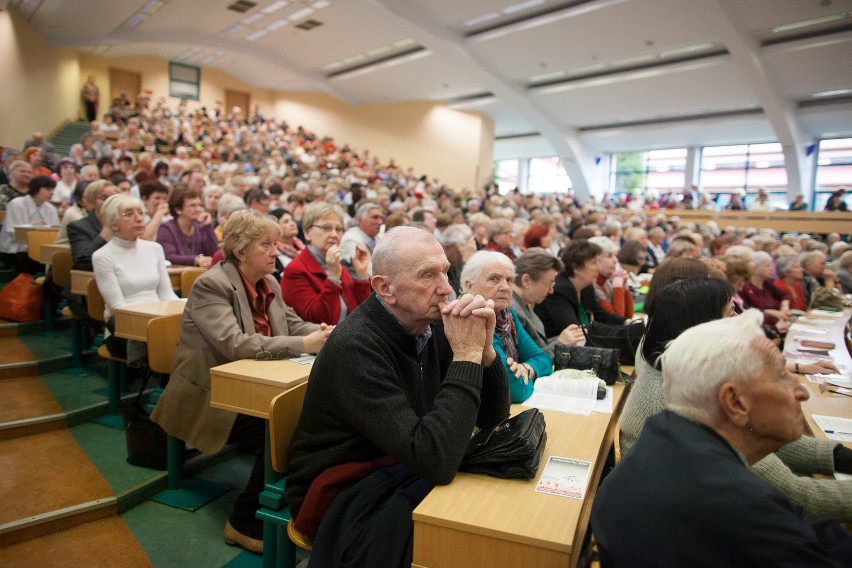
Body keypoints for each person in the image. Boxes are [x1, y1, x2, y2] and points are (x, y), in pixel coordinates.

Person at [285, 226, 510, 565]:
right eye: (427, 276)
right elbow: (436, 461)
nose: (446, 288)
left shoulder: (431, 324)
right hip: (342, 487)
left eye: (445, 272)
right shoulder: (356, 347)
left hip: (403, 460)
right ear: (384, 288)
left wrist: (484, 351)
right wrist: (465, 355)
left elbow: (494, 417)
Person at [593, 310, 852, 567]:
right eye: (782, 377)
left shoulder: (664, 433)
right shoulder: (743, 506)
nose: (801, 391)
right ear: (735, 402)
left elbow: (800, 524)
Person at [151, 210, 332, 555]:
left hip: (257, 389)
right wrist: (304, 345)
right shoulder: (212, 285)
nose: (275, 251)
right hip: (216, 397)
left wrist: (325, 333)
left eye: (276, 243)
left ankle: (295, 509)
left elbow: (293, 325)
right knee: (287, 433)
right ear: (240, 250)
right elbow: (235, 343)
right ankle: (242, 522)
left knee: (305, 426)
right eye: (266, 244)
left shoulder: (271, 283)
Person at [92, 194, 178, 361]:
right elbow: (118, 307)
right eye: (128, 213)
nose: (139, 218)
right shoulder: (102, 256)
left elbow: (167, 294)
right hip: (124, 327)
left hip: (158, 319)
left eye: (140, 212)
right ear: (113, 224)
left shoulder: (154, 248)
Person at [461, 250, 551, 403]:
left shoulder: (508, 316)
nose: (505, 287)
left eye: (509, 280)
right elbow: (515, 390)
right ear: (470, 286)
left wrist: (526, 369)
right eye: (494, 279)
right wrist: (526, 376)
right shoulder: (471, 318)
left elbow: (543, 358)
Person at [281, 203, 371, 324]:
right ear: (308, 233)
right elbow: (318, 320)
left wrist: (361, 275)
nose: (334, 234)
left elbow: (362, 311)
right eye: (326, 228)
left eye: (338, 229)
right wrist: (333, 277)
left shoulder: (339, 266)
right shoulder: (295, 270)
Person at [535, 239, 626, 341]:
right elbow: (575, 329)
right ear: (575, 267)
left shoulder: (586, 286)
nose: (598, 268)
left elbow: (599, 315)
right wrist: (618, 331)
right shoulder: (558, 291)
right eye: (593, 263)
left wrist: (626, 323)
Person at [511, 247, 586, 358]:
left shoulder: (523, 304)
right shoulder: (513, 310)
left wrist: (565, 338)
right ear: (526, 280)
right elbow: (527, 361)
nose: (551, 291)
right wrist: (560, 342)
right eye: (548, 284)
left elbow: (539, 345)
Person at [0, 176, 59, 273]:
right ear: (36, 189)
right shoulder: (16, 204)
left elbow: (55, 232)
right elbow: (12, 233)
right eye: (48, 189)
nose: (51, 192)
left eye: (52, 189)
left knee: (55, 261)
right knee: (31, 261)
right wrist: (32, 226)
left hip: (40, 249)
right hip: (15, 250)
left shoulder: (51, 209)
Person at [156, 187, 218, 267]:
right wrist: (196, 259)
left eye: (200, 205)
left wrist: (208, 227)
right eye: (192, 205)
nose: (198, 209)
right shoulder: (166, 228)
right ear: (178, 209)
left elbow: (214, 253)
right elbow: (170, 256)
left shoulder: (201, 227)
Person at [67, 180, 119, 270]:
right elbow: (82, 263)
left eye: (114, 198)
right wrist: (104, 234)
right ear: (92, 202)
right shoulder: (78, 227)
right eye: (104, 198)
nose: (110, 202)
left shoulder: (125, 223)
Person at [740, 251, 790, 336]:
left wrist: (784, 306)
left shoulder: (767, 283)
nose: (772, 269)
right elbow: (745, 312)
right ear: (755, 269)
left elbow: (784, 295)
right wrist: (768, 312)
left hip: (776, 327)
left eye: (771, 265)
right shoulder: (744, 287)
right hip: (759, 332)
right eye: (767, 265)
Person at [589, 237, 634, 318]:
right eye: (609, 256)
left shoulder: (606, 281)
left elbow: (628, 315)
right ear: (595, 260)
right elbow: (617, 319)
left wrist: (625, 287)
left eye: (615, 255)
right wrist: (617, 286)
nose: (616, 260)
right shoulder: (593, 286)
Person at [339, 201, 383, 269]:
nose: (380, 222)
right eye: (375, 217)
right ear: (360, 220)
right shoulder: (350, 240)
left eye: (381, 218)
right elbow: (365, 271)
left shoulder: (380, 238)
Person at [272, 210, 304, 279]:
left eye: (292, 220)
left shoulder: (301, 245)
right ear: (276, 228)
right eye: (286, 222)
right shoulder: (274, 253)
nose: (292, 224)